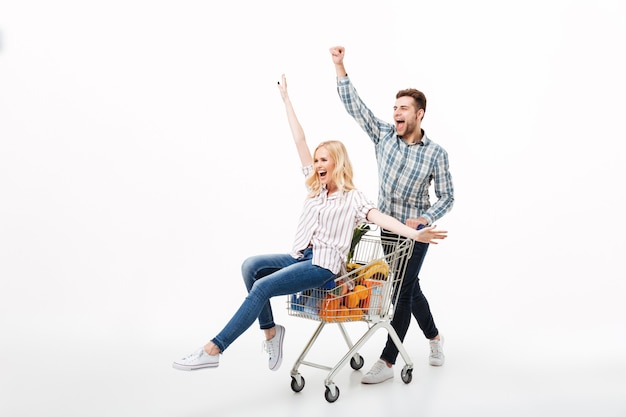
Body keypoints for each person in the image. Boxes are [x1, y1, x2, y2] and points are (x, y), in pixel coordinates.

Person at [172, 74, 448, 372]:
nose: (317, 166)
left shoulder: (353, 198)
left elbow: (380, 218)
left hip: (323, 267)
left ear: (337, 164)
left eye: (323, 161)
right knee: (250, 267)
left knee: (263, 287)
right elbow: (300, 140)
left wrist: (415, 233)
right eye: (316, 161)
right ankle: (271, 333)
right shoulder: (315, 188)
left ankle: (213, 349)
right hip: (301, 257)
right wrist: (287, 100)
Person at [329, 46, 455, 384]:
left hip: (416, 234)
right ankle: (435, 339)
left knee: (399, 290)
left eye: (403, 109)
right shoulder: (384, 134)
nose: (396, 112)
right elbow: (355, 107)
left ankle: (387, 361)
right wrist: (340, 66)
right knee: (410, 290)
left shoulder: (436, 154)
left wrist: (425, 219)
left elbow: (447, 197)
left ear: (419, 114)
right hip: (388, 229)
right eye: (394, 108)